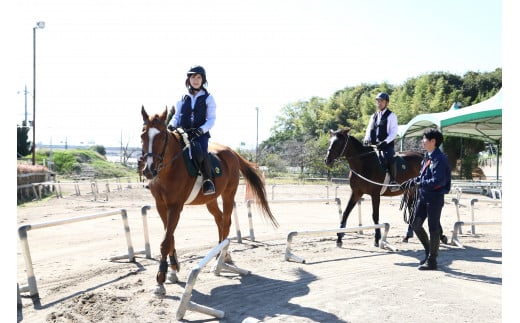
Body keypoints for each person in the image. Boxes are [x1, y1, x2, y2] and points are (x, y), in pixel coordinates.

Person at [401, 128, 451, 270]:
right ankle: (430, 252)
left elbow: (438, 181)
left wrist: (419, 183)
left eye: (424, 139)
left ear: (433, 141)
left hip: (434, 197)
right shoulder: (427, 157)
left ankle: (432, 260)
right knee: (415, 224)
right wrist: (412, 181)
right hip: (423, 196)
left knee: (433, 228)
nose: (422, 141)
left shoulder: (440, 159)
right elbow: (424, 177)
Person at [168, 65, 217, 195]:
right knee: (167, 149)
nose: (196, 80)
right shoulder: (182, 97)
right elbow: (176, 115)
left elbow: (211, 119)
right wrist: (171, 125)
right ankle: (157, 178)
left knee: (201, 152)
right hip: (182, 132)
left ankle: (207, 181)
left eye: (199, 77)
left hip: (199, 134)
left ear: (203, 80)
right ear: (189, 79)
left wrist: (201, 130)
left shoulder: (209, 98)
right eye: (193, 77)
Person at [364, 92, 399, 192]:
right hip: (374, 143)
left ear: (386, 103)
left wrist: (385, 142)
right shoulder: (373, 116)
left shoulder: (391, 115)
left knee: (389, 157)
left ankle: (393, 181)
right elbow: (369, 129)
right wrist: (367, 138)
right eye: (378, 101)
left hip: (386, 145)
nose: (379, 103)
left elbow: (394, 132)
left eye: (381, 101)